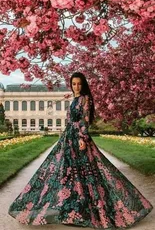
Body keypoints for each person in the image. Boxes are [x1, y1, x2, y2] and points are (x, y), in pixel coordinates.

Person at [8, 71, 153, 229]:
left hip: (78, 140)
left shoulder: (85, 99)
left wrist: (82, 139)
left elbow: (84, 120)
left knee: (88, 174)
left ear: (83, 85)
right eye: (74, 84)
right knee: (69, 174)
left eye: (79, 84)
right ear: (71, 85)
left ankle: (86, 211)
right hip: (68, 140)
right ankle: (74, 209)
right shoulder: (75, 99)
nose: (76, 86)